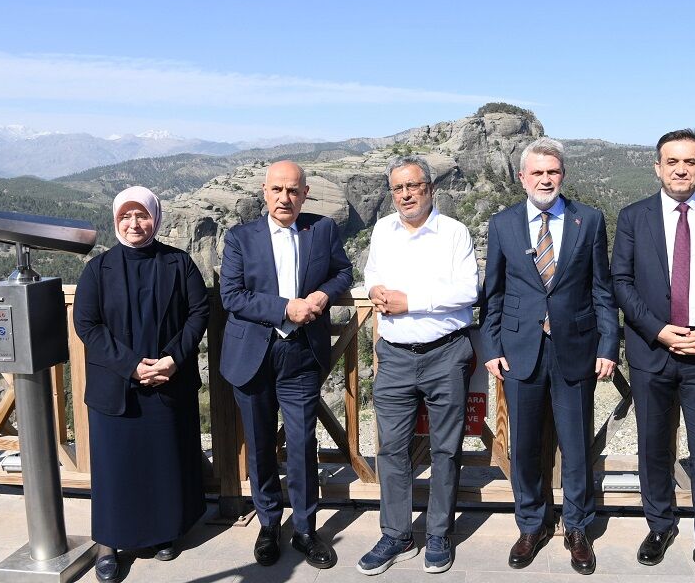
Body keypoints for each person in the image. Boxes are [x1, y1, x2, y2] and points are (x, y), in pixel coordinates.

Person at [611, 129, 695, 583]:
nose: (680, 169)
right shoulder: (634, 217)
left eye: (689, 162)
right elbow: (621, 282)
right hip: (653, 352)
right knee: (654, 446)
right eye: (672, 161)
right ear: (657, 166)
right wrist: (658, 330)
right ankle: (659, 526)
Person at [479, 137, 619, 575]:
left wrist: (608, 345)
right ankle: (532, 525)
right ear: (522, 177)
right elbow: (494, 294)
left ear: (563, 175)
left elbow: (602, 289)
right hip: (520, 352)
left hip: (576, 349)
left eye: (552, 172)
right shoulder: (502, 224)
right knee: (523, 448)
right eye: (536, 172)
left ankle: (577, 529)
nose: (545, 179)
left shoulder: (588, 221)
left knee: (576, 446)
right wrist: (491, 347)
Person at [219, 160, 352, 570]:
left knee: (302, 443)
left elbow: (344, 272)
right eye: (277, 190)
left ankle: (306, 530)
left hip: (301, 357)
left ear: (305, 193)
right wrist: (285, 308)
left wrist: (322, 297)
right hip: (253, 356)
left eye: (293, 191)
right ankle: (268, 524)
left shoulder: (322, 229)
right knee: (259, 445)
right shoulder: (241, 237)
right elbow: (232, 296)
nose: (285, 198)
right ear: (264, 191)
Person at [74, 186, 209, 583]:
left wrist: (172, 358)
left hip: (168, 380)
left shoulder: (178, 263)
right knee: (116, 470)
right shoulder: (98, 269)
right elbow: (87, 325)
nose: (134, 224)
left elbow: (198, 312)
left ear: (156, 217)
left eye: (142, 215)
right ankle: (109, 545)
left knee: (162, 463)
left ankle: (164, 532)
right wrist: (132, 366)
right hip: (117, 388)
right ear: (116, 221)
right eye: (126, 217)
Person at [356, 156, 478, 576]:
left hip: (446, 353)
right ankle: (396, 533)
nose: (406, 194)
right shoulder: (383, 231)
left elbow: (468, 289)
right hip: (393, 356)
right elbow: (372, 270)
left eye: (414, 186)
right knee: (391, 449)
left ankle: (440, 533)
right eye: (398, 189)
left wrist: (412, 301)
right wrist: (374, 287)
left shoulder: (454, 233)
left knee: (446, 448)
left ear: (430, 187)